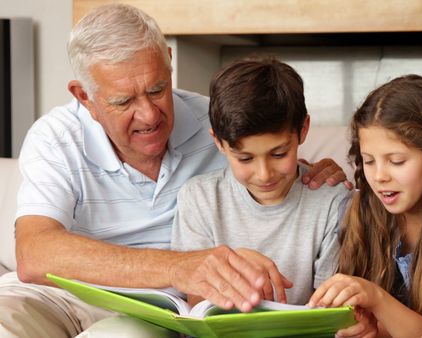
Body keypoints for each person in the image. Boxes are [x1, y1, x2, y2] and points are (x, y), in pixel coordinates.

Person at [0, 4, 348, 338]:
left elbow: (264, 161)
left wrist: (314, 170)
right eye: (123, 101)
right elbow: (34, 253)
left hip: (156, 310)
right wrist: (178, 267)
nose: (150, 115)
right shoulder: (56, 137)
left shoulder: (212, 122)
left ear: (169, 62)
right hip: (57, 296)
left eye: (157, 89)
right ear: (84, 97)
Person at [308, 75, 422, 337]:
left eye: (396, 161)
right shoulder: (355, 212)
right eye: (369, 161)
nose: (380, 176)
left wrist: (376, 299)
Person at [171, 56, 351, 309]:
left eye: (278, 154)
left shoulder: (333, 203)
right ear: (219, 143)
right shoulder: (199, 198)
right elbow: (200, 307)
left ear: (303, 129)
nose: (264, 174)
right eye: (245, 158)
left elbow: (328, 311)